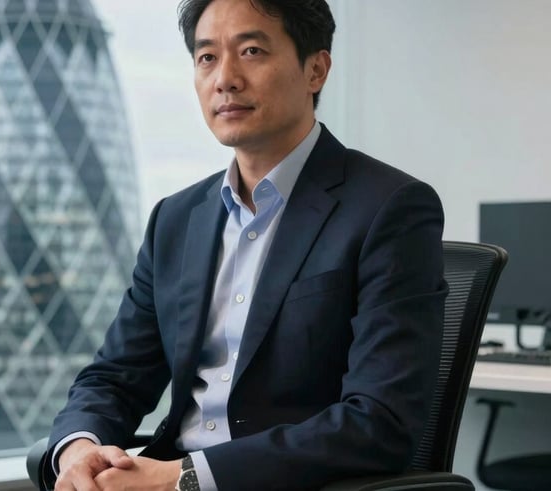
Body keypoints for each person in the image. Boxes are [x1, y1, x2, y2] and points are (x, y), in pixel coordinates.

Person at [32, 0, 447, 489]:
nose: (225, 79)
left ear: (316, 70)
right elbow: (114, 377)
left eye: (251, 51)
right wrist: (80, 450)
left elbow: (380, 422)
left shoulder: (388, 208)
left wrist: (180, 479)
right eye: (207, 57)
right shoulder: (175, 219)